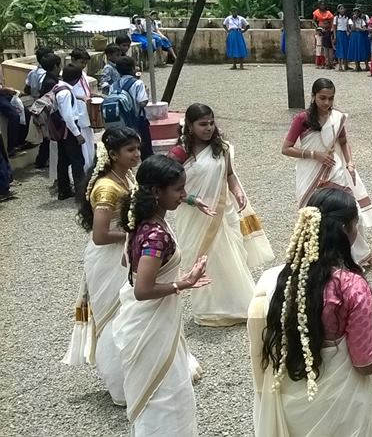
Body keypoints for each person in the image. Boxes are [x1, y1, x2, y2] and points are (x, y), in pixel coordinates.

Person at [248, 189, 372, 436]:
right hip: (340, 408)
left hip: (291, 400)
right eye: (356, 224)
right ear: (345, 229)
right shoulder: (350, 287)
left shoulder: (275, 279)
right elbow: (365, 363)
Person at [114, 155, 209, 436]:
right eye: (178, 189)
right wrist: (184, 283)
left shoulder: (142, 221)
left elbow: (129, 264)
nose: (183, 195)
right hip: (151, 325)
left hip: (151, 321)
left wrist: (173, 278)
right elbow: (143, 290)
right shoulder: (155, 234)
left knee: (164, 391)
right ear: (157, 191)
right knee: (165, 393)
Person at [168, 104, 272, 326]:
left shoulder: (221, 147)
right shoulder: (180, 153)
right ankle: (208, 310)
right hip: (194, 216)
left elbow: (230, 174)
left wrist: (238, 192)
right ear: (190, 126)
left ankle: (238, 305)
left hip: (222, 213)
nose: (208, 128)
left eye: (211, 123)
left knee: (230, 257)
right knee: (203, 259)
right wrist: (191, 200)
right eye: (202, 124)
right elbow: (166, 184)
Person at [62, 127, 141, 406]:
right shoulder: (106, 187)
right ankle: (121, 382)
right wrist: (136, 232)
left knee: (134, 310)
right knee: (114, 316)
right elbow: (100, 235)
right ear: (114, 154)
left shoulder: (125, 175)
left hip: (126, 252)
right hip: (109, 258)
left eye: (138, 148)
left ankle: (142, 372)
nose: (137, 154)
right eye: (130, 150)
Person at [282, 79, 372, 267]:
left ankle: (359, 255)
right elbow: (286, 148)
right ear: (313, 96)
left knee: (349, 211)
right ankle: (319, 256)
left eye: (330, 98)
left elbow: (343, 142)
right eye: (322, 98)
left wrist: (350, 162)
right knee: (315, 214)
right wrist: (314, 154)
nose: (326, 103)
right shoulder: (302, 119)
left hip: (335, 169)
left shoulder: (337, 117)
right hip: (310, 171)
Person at [54, 64, 87, 200]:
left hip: (62, 130)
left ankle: (64, 190)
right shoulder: (66, 93)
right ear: (76, 79)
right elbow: (68, 116)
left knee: (63, 161)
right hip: (69, 130)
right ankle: (80, 191)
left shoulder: (58, 87)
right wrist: (77, 134)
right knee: (77, 160)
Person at [111, 56, 154, 158]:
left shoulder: (114, 85)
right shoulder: (138, 83)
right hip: (138, 121)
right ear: (132, 69)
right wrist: (146, 93)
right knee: (146, 150)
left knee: (124, 148)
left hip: (121, 122)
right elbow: (142, 102)